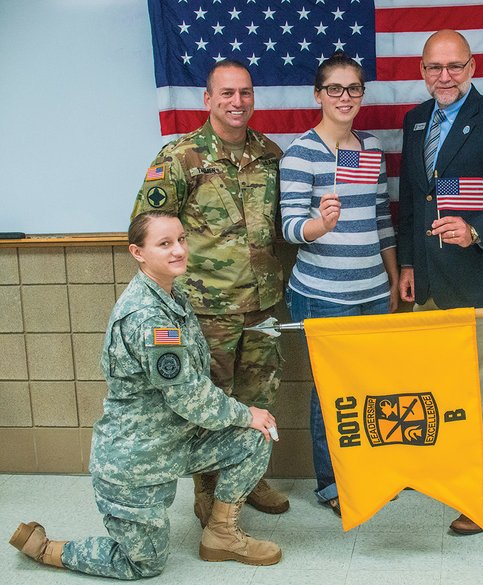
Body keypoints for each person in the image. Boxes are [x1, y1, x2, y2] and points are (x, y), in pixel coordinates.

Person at [9, 212, 282, 578]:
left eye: (181, 240)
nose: (178, 250)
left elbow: (192, 386)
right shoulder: (148, 317)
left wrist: (247, 418)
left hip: (177, 440)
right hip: (137, 459)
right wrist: (245, 412)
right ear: (138, 252)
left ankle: (221, 535)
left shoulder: (174, 295)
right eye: (165, 244)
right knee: (143, 563)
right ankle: (47, 549)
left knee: (254, 436)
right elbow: (188, 396)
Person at [131, 59, 289, 522]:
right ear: (208, 99)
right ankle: (208, 491)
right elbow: (148, 227)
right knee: (209, 401)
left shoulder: (270, 154)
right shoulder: (180, 157)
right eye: (226, 93)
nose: (236, 102)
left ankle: (252, 478)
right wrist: (166, 296)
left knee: (260, 396)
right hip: (206, 307)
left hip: (262, 305)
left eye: (244, 93)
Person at [397, 29, 483, 534]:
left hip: (482, 282)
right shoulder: (414, 123)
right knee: (436, 389)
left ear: (473, 68)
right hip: (431, 282)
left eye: (455, 66)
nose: (445, 77)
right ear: (422, 71)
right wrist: (410, 265)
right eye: (435, 67)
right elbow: (414, 201)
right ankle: (449, 473)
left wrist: (475, 229)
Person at [279, 51, 399, 516]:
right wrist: (318, 226)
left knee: (370, 385)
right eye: (335, 89)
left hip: (371, 289)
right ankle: (331, 483)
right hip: (322, 293)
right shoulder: (300, 153)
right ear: (318, 95)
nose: (344, 97)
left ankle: (369, 470)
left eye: (353, 89)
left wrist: (391, 277)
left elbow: (381, 218)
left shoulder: (369, 147)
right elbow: (289, 227)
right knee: (332, 390)